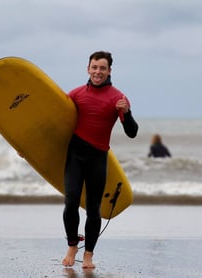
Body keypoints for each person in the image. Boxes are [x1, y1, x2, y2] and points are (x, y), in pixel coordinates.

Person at [61, 51, 138, 269]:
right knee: (71, 202)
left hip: (98, 157)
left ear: (109, 71)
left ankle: (88, 255)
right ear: (88, 69)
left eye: (102, 68)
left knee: (93, 209)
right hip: (75, 155)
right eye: (94, 67)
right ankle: (72, 246)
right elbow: (56, 124)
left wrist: (127, 113)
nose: (98, 72)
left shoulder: (118, 99)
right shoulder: (75, 95)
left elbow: (132, 133)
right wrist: (28, 148)